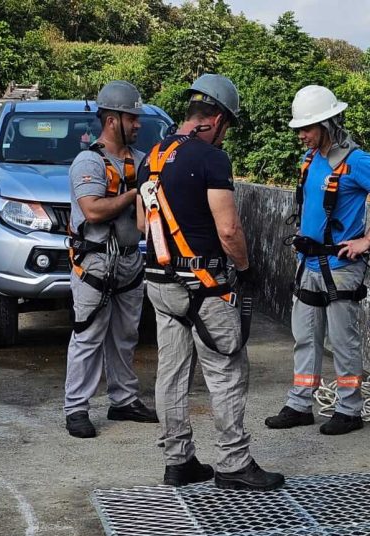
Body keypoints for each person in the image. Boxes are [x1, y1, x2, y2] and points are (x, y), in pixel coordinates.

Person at [137, 74, 285, 491]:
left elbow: (139, 224)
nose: (224, 137)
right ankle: (234, 463)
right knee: (226, 369)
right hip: (205, 284)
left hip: (160, 282)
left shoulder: (151, 157)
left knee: (172, 372)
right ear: (216, 119)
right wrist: (246, 269)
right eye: (227, 127)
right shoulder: (211, 159)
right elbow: (229, 229)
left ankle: (178, 460)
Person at [265, 85, 370, 435]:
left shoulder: (357, 161)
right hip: (309, 263)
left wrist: (367, 240)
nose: (301, 136)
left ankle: (349, 409)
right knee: (305, 337)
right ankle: (300, 403)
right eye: (299, 129)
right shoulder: (311, 160)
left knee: (343, 341)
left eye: (307, 129)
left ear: (328, 124)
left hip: (340, 267)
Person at [64, 80, 158, 438]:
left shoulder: (140, 160)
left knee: (125, 335)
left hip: (130, 261)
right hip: (95, 263)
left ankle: (124, 400)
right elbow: (92, 209)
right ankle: (76, 408)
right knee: (88, 336)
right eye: (131, 118)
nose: (137, 124)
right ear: (111, 120)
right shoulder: (89, 161)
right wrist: (135, 192)